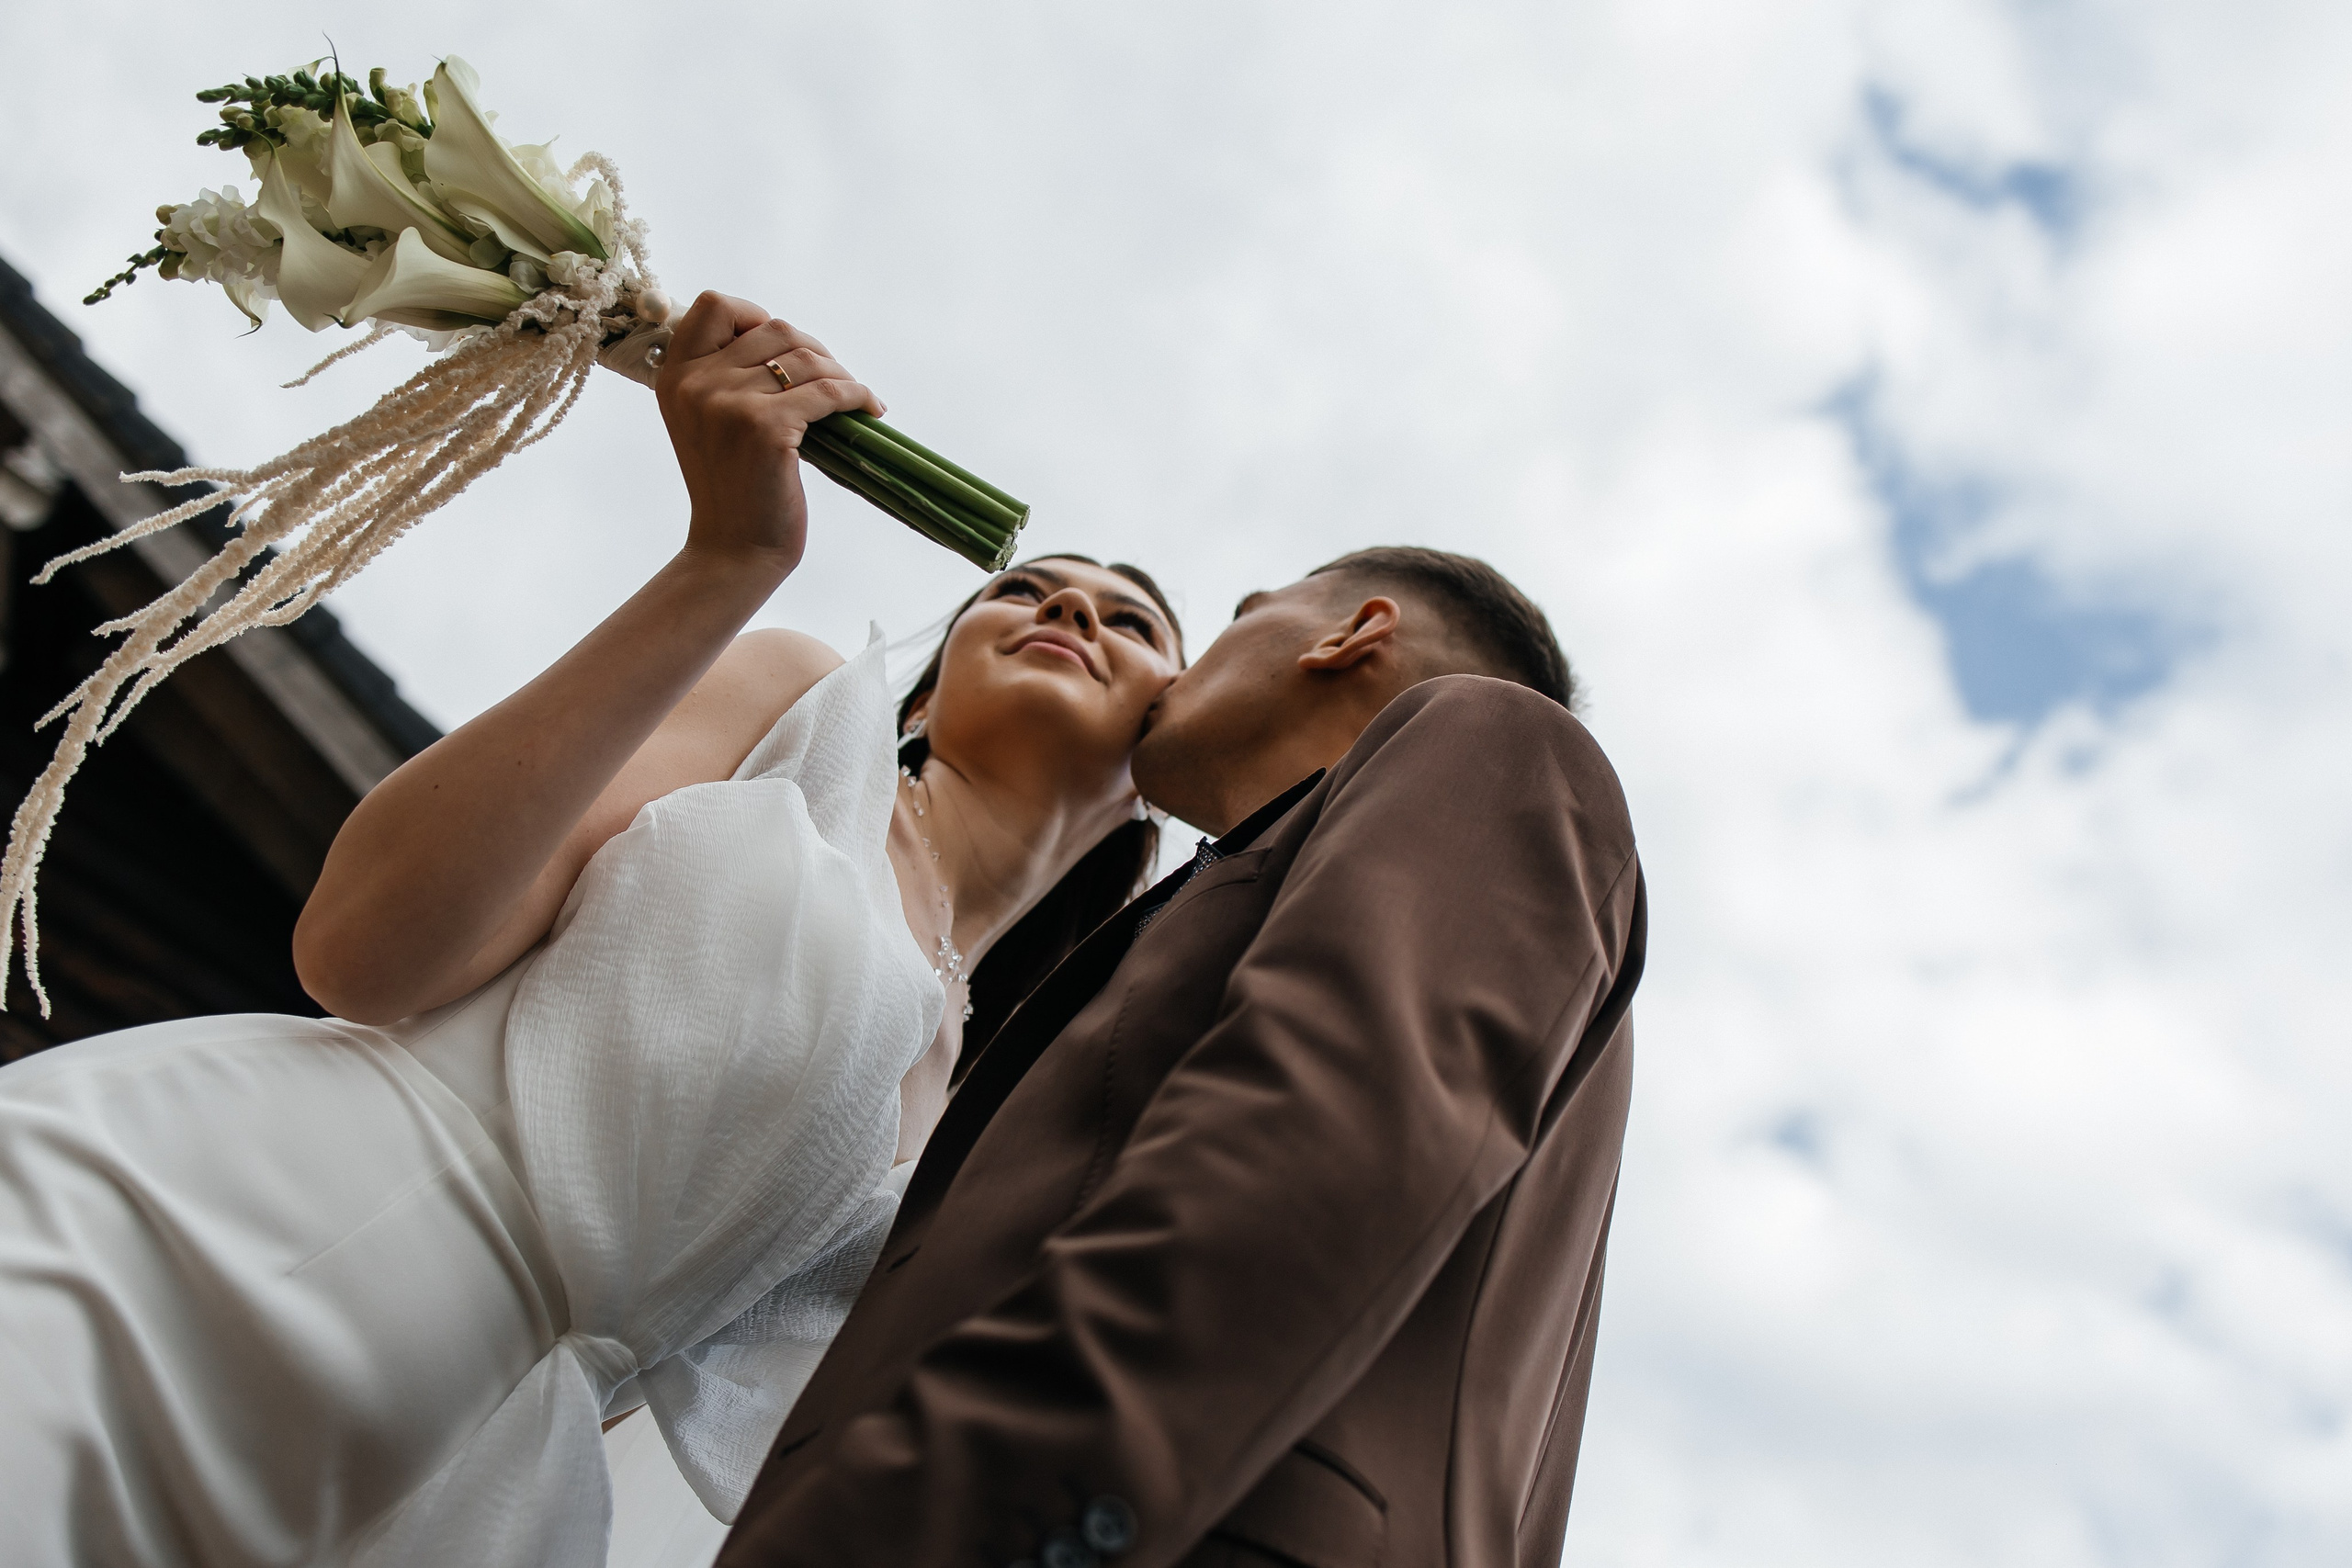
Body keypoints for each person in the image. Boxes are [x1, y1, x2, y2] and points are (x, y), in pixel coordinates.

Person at [0, 292, 1183, 1568]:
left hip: (426, 1471)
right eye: (1025, 589)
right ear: (930, 682)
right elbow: (365, 947)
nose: (1072, 611)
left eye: (1131, 621)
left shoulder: (977, 1098)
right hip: (214, 1236)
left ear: (1164, 764)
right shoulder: (802, 721)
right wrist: (726, 558)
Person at [722, 546, 1645, 1568]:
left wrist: (923, 1527)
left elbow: (1309, 1161)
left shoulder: (1486, 743)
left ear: (1348, 635)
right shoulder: (1201, 919)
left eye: (1242, 617)